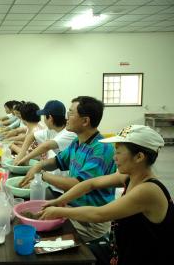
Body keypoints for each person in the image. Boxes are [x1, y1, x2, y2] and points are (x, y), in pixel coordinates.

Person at [39, 125, 173, 265]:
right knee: (63, 253)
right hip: (118, 250)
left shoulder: (148, 190)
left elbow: (99, 214)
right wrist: (59, 200)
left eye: (119, 153)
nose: (114, 157)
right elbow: (90, 184)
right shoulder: (128, 177)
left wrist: (59, 210)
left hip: (141, 258)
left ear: (139, 157)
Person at [20, 96, 117, 242]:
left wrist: (42, 174)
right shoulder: (78, 142)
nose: (66, 118)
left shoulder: (101, 149)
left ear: (85, 121)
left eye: (71, 114)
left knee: (39, 237)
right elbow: (57, 161)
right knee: (29, 218)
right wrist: (39, 165)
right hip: (73, 209)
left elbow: (78, 184)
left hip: (90, 222)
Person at [14, 100, 76, 166]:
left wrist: (24, 159)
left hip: (61, 174)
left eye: (44, 116)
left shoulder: (69, 133)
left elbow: (46, 146)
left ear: (50, 118)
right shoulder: (51, 130)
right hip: (49, 171)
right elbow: (31, 136)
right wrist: (21, 155)